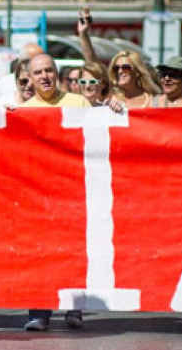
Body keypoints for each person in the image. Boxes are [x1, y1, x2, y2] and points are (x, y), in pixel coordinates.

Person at [19, 54, 120, 331]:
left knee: (75, 251)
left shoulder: (77, 103)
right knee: (41, 253)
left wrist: (112, 108)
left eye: (49, 70)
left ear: (57, 73)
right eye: (38, 72)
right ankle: (39, 312)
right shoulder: (24, 110)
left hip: (74, 189)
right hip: (40, 193)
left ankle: (75, 309)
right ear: (30, 78)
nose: (45, 76)